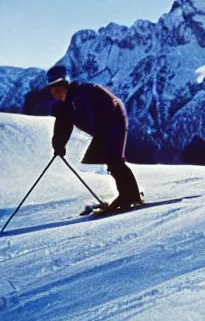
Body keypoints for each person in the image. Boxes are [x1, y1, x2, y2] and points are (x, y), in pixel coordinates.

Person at [47, 65, 143, 212]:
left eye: (58, 88)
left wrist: (102, 136)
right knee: (111, 160)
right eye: (52, 90)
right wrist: (58, 146)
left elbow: (95, 111)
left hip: (114, 119)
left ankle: (130, 196)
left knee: (114, 159)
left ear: (66, 84)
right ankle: (129, 194)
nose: (56, 93)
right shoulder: (64, 105)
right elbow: (63, 126)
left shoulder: (82, 93)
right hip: (102, 128)